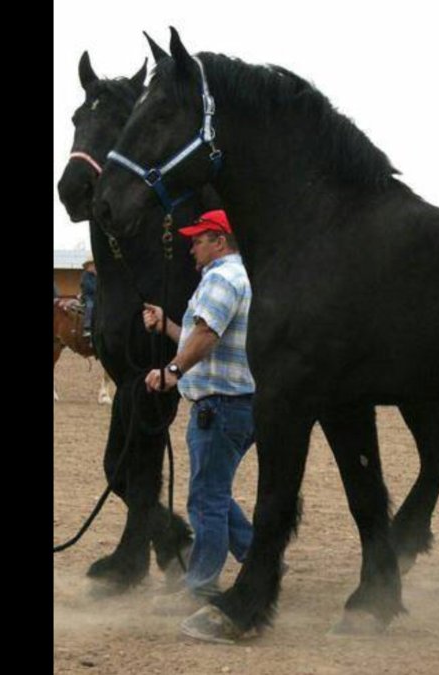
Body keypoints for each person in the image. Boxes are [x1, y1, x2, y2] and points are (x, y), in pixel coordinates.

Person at [143, 209, 257, 627]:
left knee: (206, 499)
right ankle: (260, 559)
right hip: (235, 404)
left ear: (220, 241)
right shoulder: (239, 277)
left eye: (198, 240)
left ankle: (201, 585)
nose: (191, 247)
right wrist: (168, 326)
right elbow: (201, 334)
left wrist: (171, 372)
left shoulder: (222, 279)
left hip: (219, 405)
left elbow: (207, 336)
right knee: (216, 491)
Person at [78, 258, 97, 339]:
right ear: (88, 266)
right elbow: (88, 287)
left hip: (97, 297)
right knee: (90, 306)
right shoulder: (85, 276)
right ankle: (87, 327)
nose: (94, 266)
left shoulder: (97, 276)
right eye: (92, 264)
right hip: (88, 297)